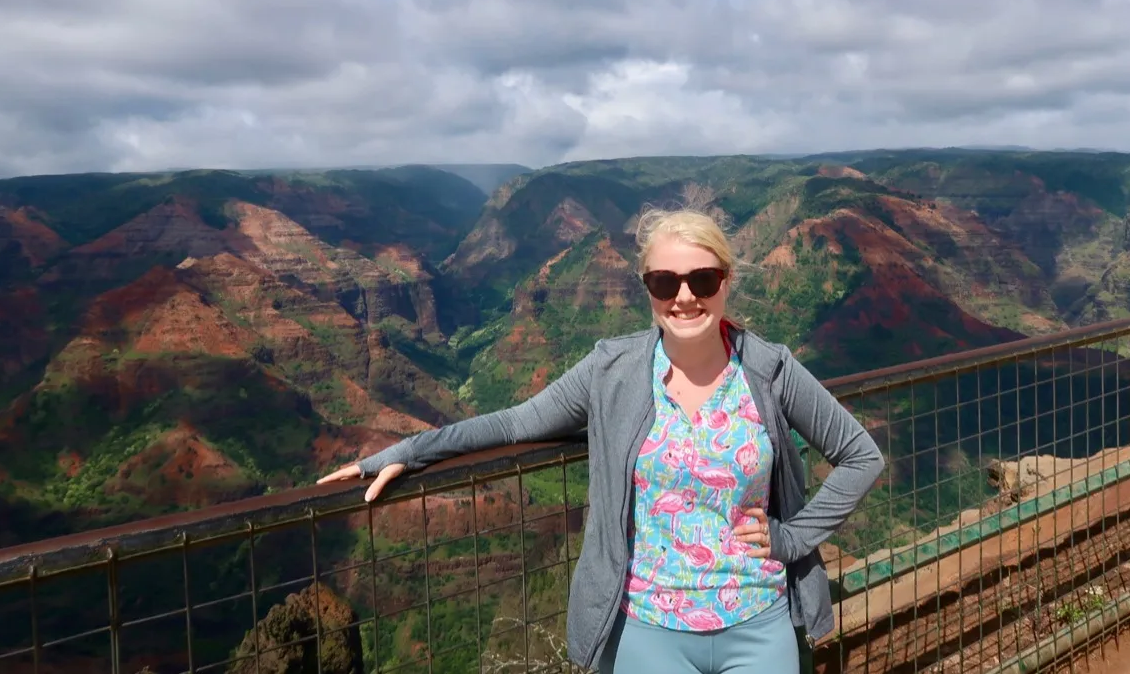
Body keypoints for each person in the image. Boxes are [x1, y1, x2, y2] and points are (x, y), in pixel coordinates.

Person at [319, 207, 886, 674]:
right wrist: (405, 453)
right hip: (647, 632)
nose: (684, 297)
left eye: (702, 280)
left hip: (757, 623)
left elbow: (862, 455)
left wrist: (792, 538)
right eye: (665, 282)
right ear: (647, 288)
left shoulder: (770, 370)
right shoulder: (610, 372)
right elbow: (514, 423)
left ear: (725, 281)